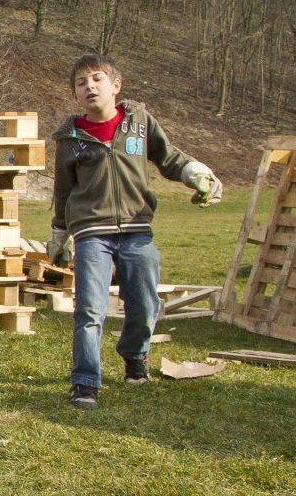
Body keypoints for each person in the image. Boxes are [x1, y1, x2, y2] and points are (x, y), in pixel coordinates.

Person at [47, 54, 221, 409]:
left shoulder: (139, 123)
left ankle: (134, 357)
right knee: (90, 309)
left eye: (97, 79)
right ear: (76, 95)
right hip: (91, 232)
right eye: (81, 83)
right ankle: (85, 382)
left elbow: (169, 157)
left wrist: (196, 175)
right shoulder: (70, 139)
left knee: (144, 304)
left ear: (116, 86)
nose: (89, 86)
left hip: (137, 229)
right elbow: (63, 191)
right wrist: (58, 236)